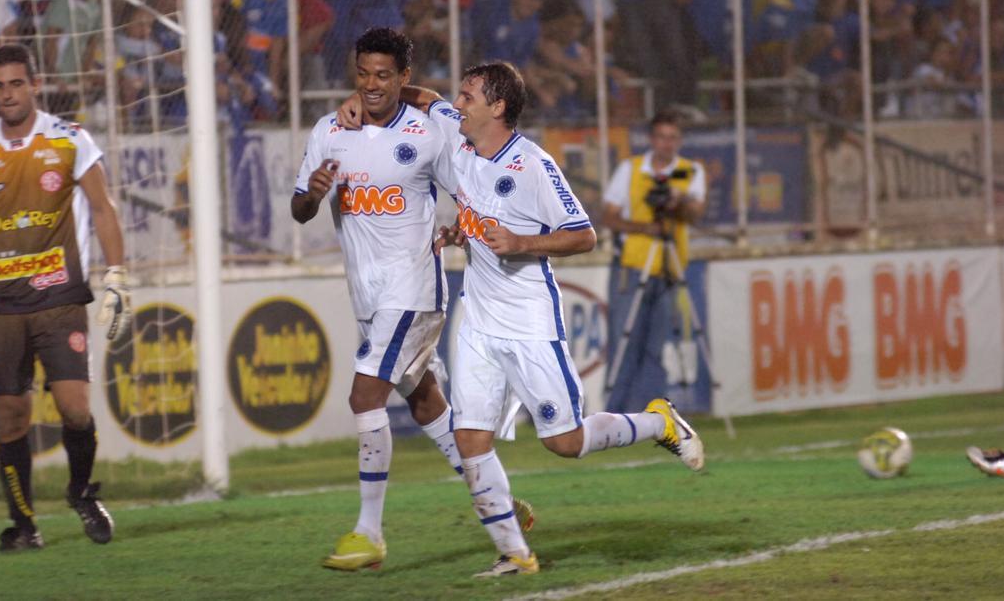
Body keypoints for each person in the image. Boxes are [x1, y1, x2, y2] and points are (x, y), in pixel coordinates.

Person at [338, 62, 704, 578]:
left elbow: (583, 234)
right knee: (470, 440)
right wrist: (359, 101)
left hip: (529, 321)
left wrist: (522, 242)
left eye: (468, 97)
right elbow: (420, 97)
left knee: (565, 442)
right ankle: (515, 554)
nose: (457, 104)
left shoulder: (532, 165)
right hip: (477, 320)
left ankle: (658, 421)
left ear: (498, 107)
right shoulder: (460, 139)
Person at [292, 29, 530, 572]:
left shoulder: (429, 132)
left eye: (383, 75)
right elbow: (300, 209)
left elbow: (470, 186)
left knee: (363, 396)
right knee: (425, 401)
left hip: (414, 289)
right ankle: (498, 504)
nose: (371, 85)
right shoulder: (330, 130)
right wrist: (315, 194)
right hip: (368, 295)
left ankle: (368, 532)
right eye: (362, 74)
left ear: (403, 76)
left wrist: (468, 228)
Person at [0, 44, 129, 551]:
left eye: (16, 83)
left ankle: (81, 492)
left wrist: (117, 276)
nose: (8, 94)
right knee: (10, 416)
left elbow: (102, 207)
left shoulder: (70, 139)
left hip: (60, 297)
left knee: (74, 407)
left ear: (35, 85)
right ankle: (24, 524)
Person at [601, 110, 706, 413]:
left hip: (669, 268)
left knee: (656, 346)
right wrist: (645, 228)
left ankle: (651, 414)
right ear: (651, 139)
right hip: (633, 266)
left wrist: (678, 201)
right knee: (625, 341)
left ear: (679, 141)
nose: (666, 144)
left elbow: (695, 214)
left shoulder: (689, 171)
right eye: (661, 137)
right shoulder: (632, 169)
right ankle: (616, 413)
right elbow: (609, 216)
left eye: (672, 138)